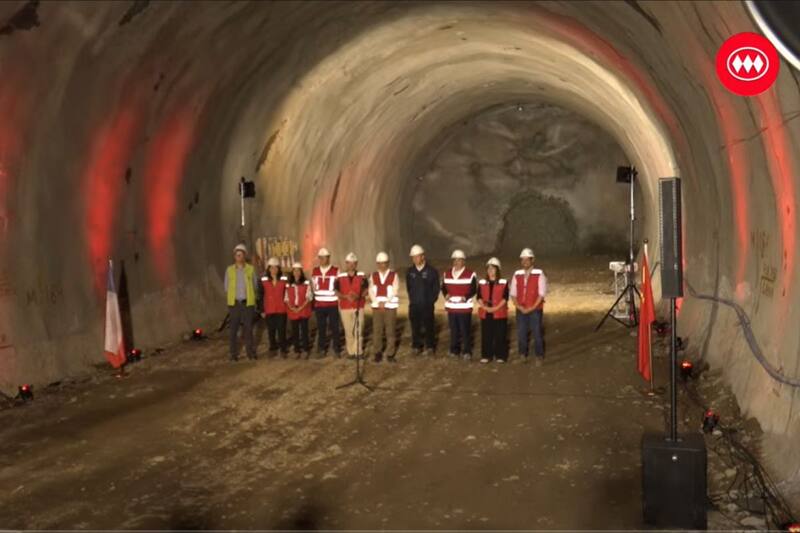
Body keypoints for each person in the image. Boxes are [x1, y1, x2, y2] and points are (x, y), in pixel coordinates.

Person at [510, 248, 547, 366]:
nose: (525, 262)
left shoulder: (539, 274)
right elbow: (513, 293)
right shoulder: (517, 274)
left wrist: (532, 308)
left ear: (533, 260)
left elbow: (541, 294)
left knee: (537, 332)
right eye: (523, 259)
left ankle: (539, 355)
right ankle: (522, 355)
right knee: (521, 332)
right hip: (521, 309)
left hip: (535, 309)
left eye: (527, 259)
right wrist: (519, 307)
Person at [224, 243, 259, 361]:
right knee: (233, 330)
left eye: (241, 254)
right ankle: (233, 354)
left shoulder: (250, 269)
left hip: (247, 303)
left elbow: (254, 285)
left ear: (244, 256)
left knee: (248, 329)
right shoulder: (229, 270)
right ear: (234, 256)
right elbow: (226, 286)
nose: (238, 256)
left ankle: (250, 353)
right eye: (237, 254)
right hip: (234, 304)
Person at [442, 249, 477, 361]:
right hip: (452, 307)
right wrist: (445, 294)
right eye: (455, 260)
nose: (456, 262)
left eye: (459, 260)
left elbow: (473, 289)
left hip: (464, 308)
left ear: (463, 261)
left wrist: (465, 297)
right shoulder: (446, 273)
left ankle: (466, 351)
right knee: (454, 330)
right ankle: (454, 350)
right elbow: (443, 287)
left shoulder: (470, 274)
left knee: (465, 330)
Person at [406, 244, 439, 356]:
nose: (415, 259)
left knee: (429, 326)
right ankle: (416, 346)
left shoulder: (431, 271)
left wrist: (431, 301)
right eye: (413, 257)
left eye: (417, 256)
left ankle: (430, 346)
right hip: (414, 305)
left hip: (427, 305)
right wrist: (413, 299)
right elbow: (409, 287)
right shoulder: (410, 272)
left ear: (423, 256)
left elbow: (436, 288)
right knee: (415, 326)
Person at [335, 253, 369, 360]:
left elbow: (366, 290)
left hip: (358, 306)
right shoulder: (340, 277)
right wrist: (345, 297)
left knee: (359, 330)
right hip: (345, 307)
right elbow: (336, 291)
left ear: (356, 264)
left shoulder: (362, 276)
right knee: (348, 330)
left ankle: (358, 351)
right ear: (346, 263)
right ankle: (350, 352)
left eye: (354, 263)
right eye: (349, 263)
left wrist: (357, 297)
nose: (351, 265)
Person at [477, 257, 509, 364]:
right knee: (486, 335)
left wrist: (495, 308)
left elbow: (505, 298)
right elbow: (479, 297)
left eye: (493, 268)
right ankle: (486, 355)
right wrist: (485, 307)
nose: (490, 271)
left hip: (499, 312)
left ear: (498, 270)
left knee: (500, 335)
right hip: (486, 312)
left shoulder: (504, 283)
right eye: (489, 269)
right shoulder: (482, 282)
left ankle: (500, 356)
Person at [369, 251, 399, 363]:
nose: (383, 265)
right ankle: (377, 353)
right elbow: (371, 291)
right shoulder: (373, 275)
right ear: (377, 264)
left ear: (388, 263)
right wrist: (377, 302)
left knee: (390, 331)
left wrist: (385, 302)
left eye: (385, 263)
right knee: (377, 330)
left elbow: (394, 290)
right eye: (381, 263)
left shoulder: (393, 275)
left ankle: (390, 354)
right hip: (377, 307)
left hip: (390, 306)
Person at [311, 247, 341, 358]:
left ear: (329, 258)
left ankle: (336, 348)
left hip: (332, 303)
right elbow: (313, 287)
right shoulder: (315, 271)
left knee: (334, 327)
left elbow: (339, 287)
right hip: (319, 304)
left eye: (325, 257)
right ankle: (321, 348)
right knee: (321, 327)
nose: (323, 259)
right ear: (319, 258)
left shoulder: (336, 270)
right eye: (321, 258)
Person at [260, 257, 289, 357]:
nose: (273, 270)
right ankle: (273, 348)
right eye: (271, 268)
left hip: (281, 309)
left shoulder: (284, 279)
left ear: (279, 268)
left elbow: (288, 293)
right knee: (271, 330)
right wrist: (262, 310)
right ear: (268, 268)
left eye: (275, 267)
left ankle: (283, 349)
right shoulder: (263, 279)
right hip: (269, 309)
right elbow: (260, 295)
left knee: (282, 330)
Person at [286, 261, 313, 359]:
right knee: (295, 331)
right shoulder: (288, 284)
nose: (296, 272)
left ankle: (305, 349)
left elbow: (309, 297)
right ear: (292, 272)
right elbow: (286, 298)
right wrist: (292, 308)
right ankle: (297, 350)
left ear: (301, 272)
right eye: (295, 270)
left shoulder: (306, 283)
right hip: (293, 310)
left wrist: (300, 308)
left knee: (305, 331)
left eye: (298, 271)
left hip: (303, 310)